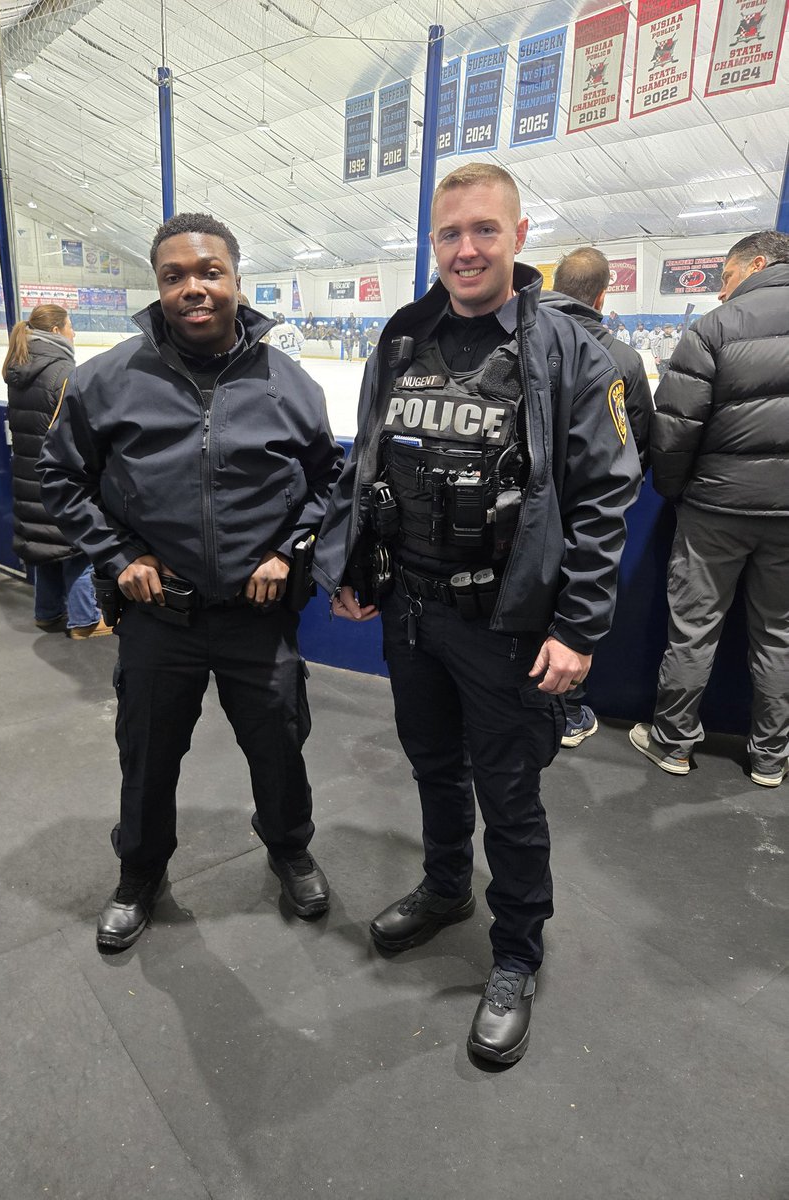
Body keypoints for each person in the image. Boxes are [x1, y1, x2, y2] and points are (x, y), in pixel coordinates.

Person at [313, 163, 640, 1063]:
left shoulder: (569, 347)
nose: (465, 249)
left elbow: (607, 495)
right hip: (412, 611)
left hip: (506, 624)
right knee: (431, 766)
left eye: (484, 231)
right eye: (450, 232)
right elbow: (368, 458)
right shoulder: (403, 335)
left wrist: (577, 627)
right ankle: (447, 886)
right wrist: (347, 564)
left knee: (510, 793)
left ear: (518, 234)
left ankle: (515, 954)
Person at [38, 212, 344, 950]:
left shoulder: (288, 381)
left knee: (278, 745)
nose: (193, 289)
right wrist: (118, 559)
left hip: (256, 614)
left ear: (237, 281)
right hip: (158, 619)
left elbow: (329, 481)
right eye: (175, 276)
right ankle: (139, 871)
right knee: (146, 754)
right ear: (159, 287)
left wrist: (290, 551)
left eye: (210, 273)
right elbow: (60, 475)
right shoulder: (105, 380)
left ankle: (289, 846)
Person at [630, 230, 789, 787]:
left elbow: (674, 429)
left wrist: (674, 492)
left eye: (726, 277)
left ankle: (673, 742)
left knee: (693, 627)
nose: (722, 291)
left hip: (717, 510)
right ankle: (771, 756)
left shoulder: (714, 328)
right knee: (780, 634)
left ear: (757, 265)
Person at [541, 246, 653, 748]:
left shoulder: (518, 336)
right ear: (604, 295)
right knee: (575, 603)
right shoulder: (623, 357)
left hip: (523, 512)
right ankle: (564, 712)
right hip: (586, 513)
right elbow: (640, 444)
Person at [3, 304, 110, 638]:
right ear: (55, 332)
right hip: (58, 474)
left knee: (46, 543)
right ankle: (85, 621)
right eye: (70, 326)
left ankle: (47, 612)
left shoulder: (20, 367)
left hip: (28, 474)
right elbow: (75, 431)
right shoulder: (63, 372)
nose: (73, 332)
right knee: (76, 545)